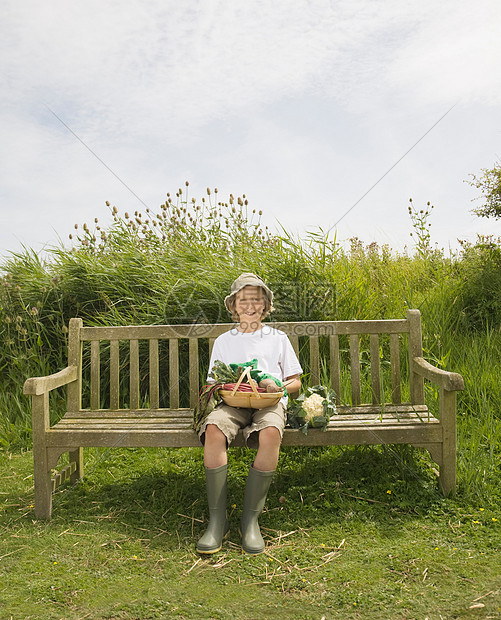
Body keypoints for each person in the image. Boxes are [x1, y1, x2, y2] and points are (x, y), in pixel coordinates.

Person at [197, 273, 302, 555]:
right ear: (233, 306)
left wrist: (278, 387)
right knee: (214, 429)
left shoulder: (277, 338)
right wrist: (232, 387)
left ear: (266, 305)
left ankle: (250, 520)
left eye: (257, 300)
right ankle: (218, 520)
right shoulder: (224, 341)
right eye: (244, 300)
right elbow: (213, 383)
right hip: (233, 401)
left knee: (270, 432)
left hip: (270, 402)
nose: (250, 305)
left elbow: (296, 381)